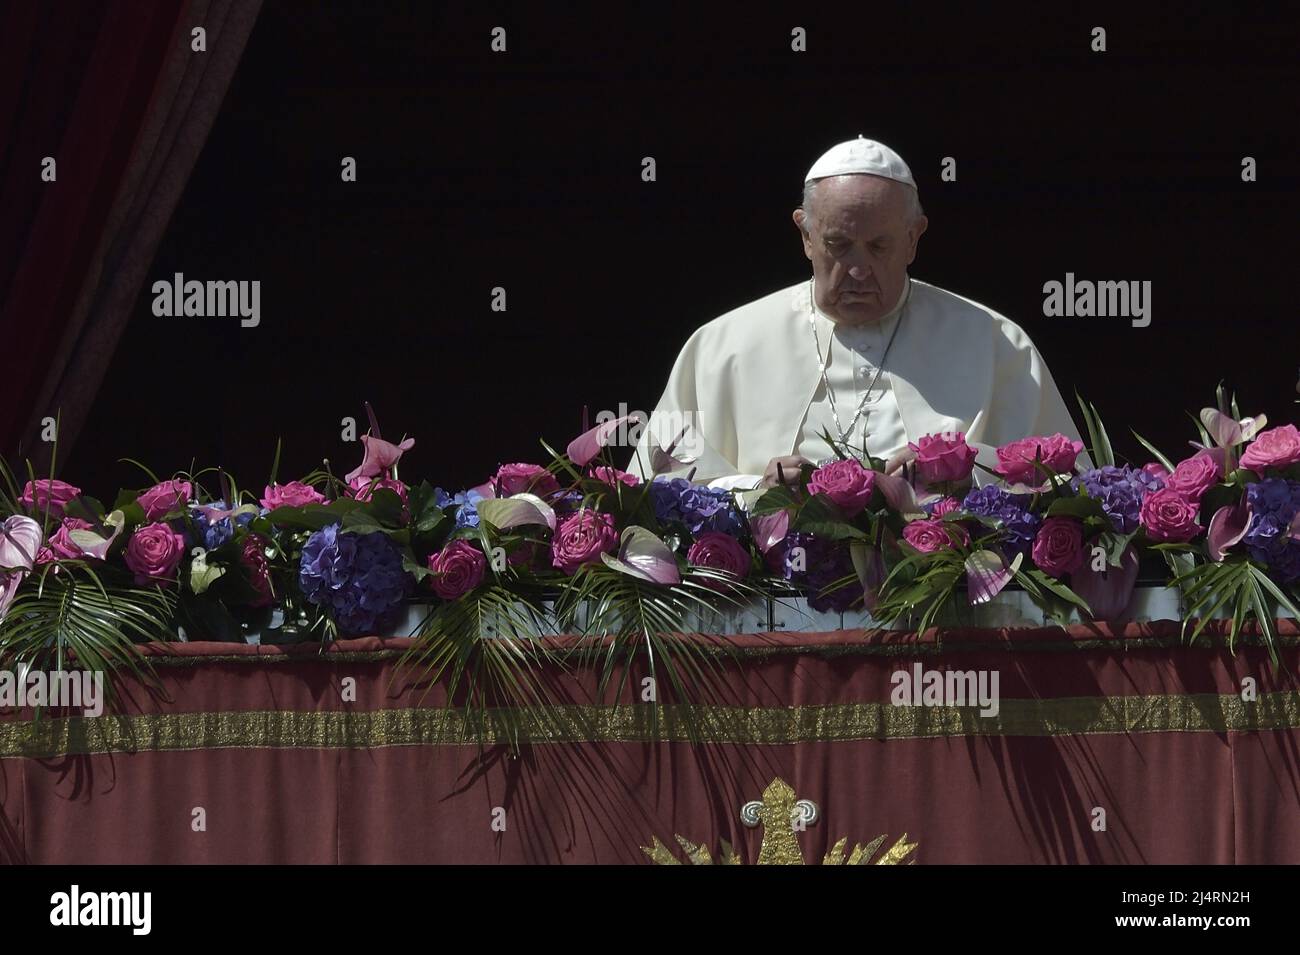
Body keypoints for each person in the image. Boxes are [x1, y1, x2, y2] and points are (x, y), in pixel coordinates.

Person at [630, 135, 1090, 489]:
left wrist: (965, 473)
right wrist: (756, 491)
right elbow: (655, 495)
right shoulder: (719, 348)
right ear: (805, 235)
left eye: (878, 247)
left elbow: (1068, 487)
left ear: (914, 237)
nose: (857, 269)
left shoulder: (994, 342)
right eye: (838, 245)